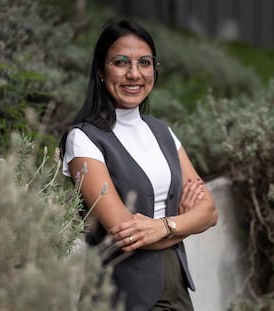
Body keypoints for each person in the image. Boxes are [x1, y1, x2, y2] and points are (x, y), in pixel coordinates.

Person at [60, 19, 218, 311]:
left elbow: (209, 212)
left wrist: (164, 227)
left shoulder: (162, 132)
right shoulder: (83, 139)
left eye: (144, 62)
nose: (134, 74)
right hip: (121, 293)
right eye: (121, 62)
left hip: (178, 288)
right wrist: (183, 223)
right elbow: (126, 232)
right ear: (100, 70)